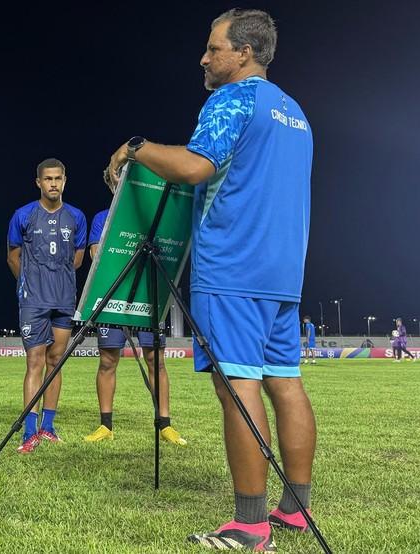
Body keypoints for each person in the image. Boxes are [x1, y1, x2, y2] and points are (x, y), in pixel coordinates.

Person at [105, 9, 315, 550]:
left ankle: (250, 525)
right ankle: (295, 510)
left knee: (237, 385)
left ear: (243, 52)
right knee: (285, 383)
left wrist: (135, 148)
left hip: (233, 268)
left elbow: (196, 166)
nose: (203, 58)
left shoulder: (232, 99)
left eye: (213, 48)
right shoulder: (294, 112)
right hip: (283, 273)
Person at [82, 209, 186, 446]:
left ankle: (165, 425)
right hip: (113, 295)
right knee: (107, 361)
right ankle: (105, 425)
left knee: (156, 361)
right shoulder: (102, 218)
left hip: (148, 293)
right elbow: (96, 254)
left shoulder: (152, 214)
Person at [6, 158, 87, 453]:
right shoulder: (23, 215)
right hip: (34, 300)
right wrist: (30, 282)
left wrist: (57, 277)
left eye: (58, 178)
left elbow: (78, 258)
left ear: (65, 180)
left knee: (56, 361)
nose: (53, 183)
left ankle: (48, 427)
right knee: (35, 362)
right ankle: (29, 432)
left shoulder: (76, 217)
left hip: (64, 299)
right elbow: (13, 257)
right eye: (48, 179)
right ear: (38, 182)